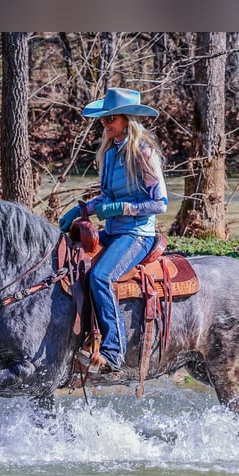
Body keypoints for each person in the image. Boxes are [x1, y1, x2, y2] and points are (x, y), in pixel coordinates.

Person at [59, 87, 168, 374]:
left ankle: (113, 351)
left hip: (137, 234)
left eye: (111, 118)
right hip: (115, 231)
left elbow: (159, 203)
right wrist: (83, 210)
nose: (105, 123)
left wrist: (120, 209)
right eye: (104, 119)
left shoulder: (144, 152)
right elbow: (107, 198)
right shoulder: (109, 153)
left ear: (127, 120)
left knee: (101, 276)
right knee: (69, 262)